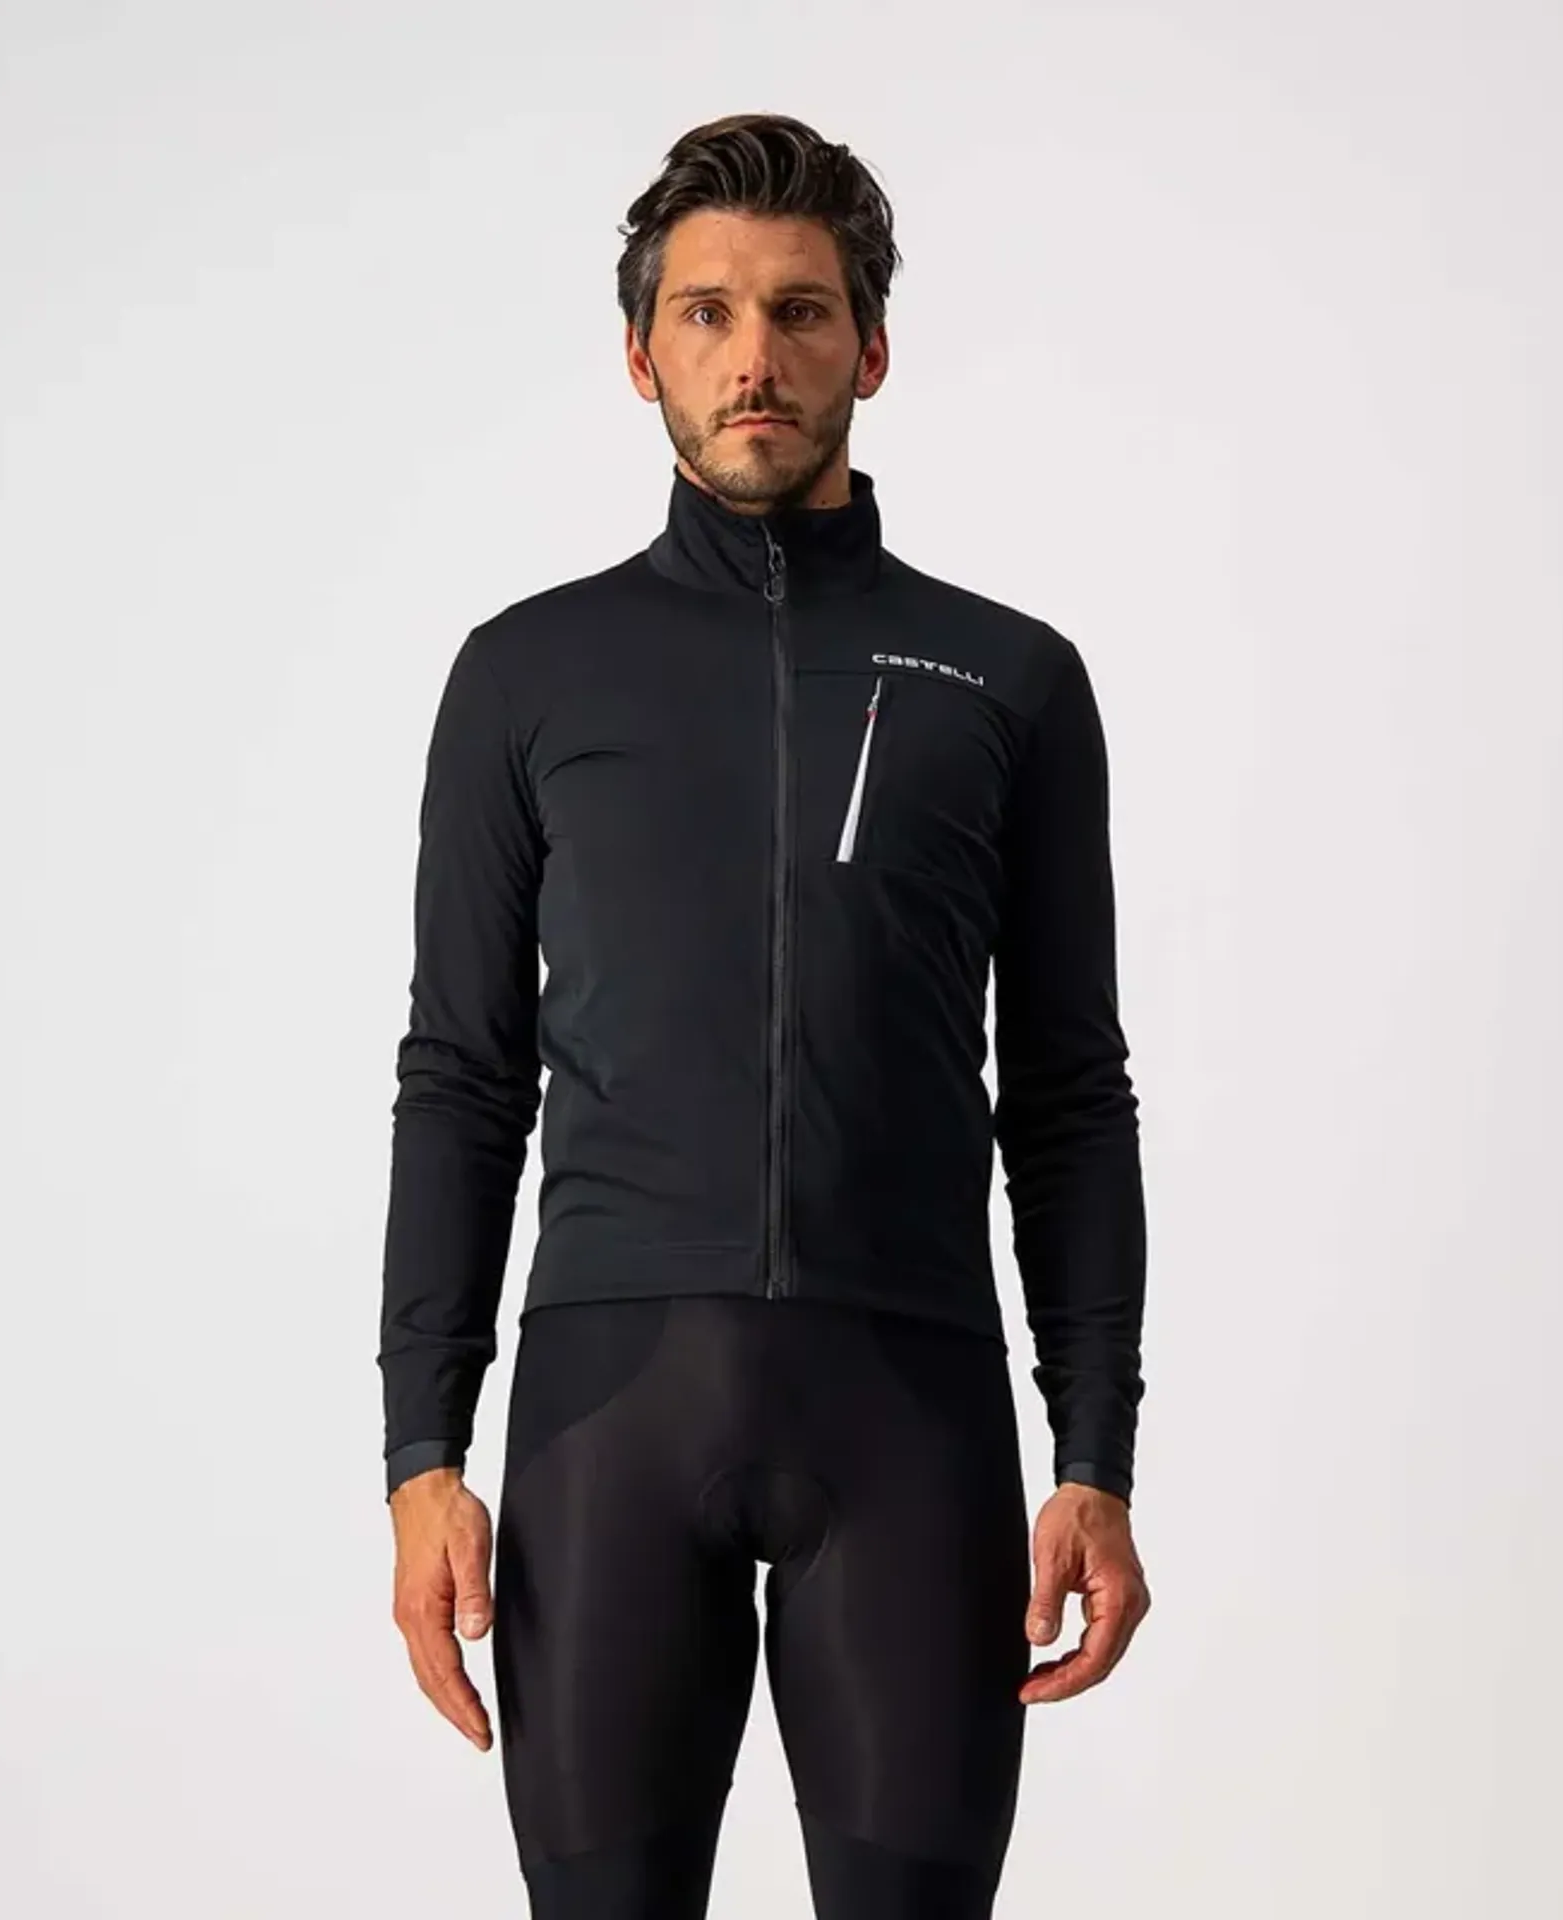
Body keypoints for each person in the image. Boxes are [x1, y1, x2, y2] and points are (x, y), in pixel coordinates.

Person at [378, 111, 1153, 1919]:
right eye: (708, 312)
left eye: (802, 313)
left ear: (870, 350)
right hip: (607, 1420)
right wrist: (423, 1455)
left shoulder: (1011, 681)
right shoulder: (527, 675)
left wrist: (1096, 1457)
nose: (755, 357)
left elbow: (1068, 1094)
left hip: (913, 1420)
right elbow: (462, 1079)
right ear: (639, 352)